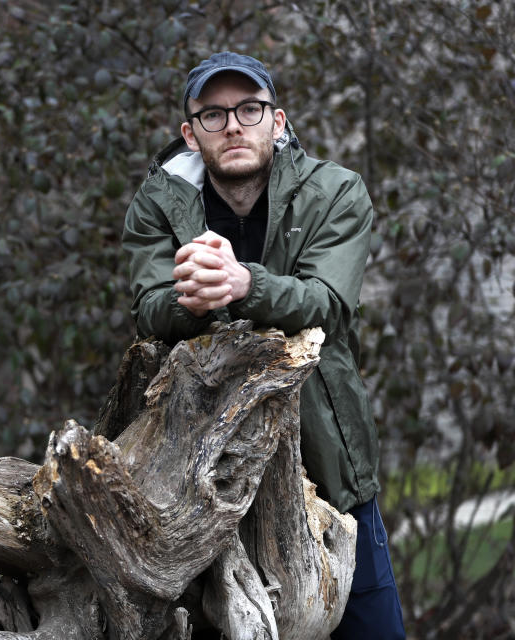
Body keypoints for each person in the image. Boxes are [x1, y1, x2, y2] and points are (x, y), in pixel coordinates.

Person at [121, 51, 406, 639]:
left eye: (249, 109)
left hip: (326, 456)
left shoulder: (335, 192)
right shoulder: (159, 202)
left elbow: (327, 303)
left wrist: (245, 284)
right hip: (201, 469)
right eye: (213, 114)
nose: (232, 126)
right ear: (190, 132)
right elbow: (150, 309)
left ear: (276, 121)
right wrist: (190, 299)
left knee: (369, 628)